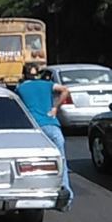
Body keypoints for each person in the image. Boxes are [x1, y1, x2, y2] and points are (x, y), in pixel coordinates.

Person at [15, 63, 73, 211]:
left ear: (24, 75)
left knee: (34, 164)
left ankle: (37, 194)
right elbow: (65, 90)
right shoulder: (48, 85)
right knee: (61, 162)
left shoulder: (20, 88)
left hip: (35, 129)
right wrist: (54, 108)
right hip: (53, 127)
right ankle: (66, 198)